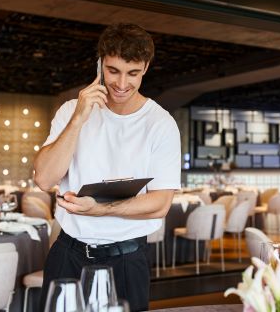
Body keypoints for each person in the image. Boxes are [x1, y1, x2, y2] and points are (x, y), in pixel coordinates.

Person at [34, 23, 181, 311]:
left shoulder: (161, 124)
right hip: (68, 253)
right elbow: (44, 179)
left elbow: (160, 204)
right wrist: (78, 118)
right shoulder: (69, 111)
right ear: (100, 63)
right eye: (113, 71)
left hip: (127, 259)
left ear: (146, 68)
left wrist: (99, 209)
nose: (122, 84)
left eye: (133, 73)